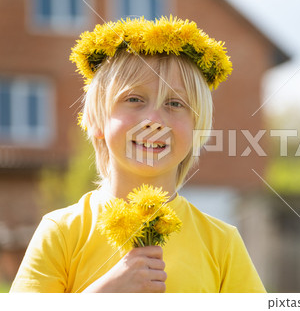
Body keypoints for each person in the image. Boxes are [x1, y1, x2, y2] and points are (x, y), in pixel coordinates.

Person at [10, 16, 266, 293]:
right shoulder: (60, 232)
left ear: (196, 130)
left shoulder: (222, 243)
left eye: (174, 103)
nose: (154, 119)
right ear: (96, 121)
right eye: (134, 99)